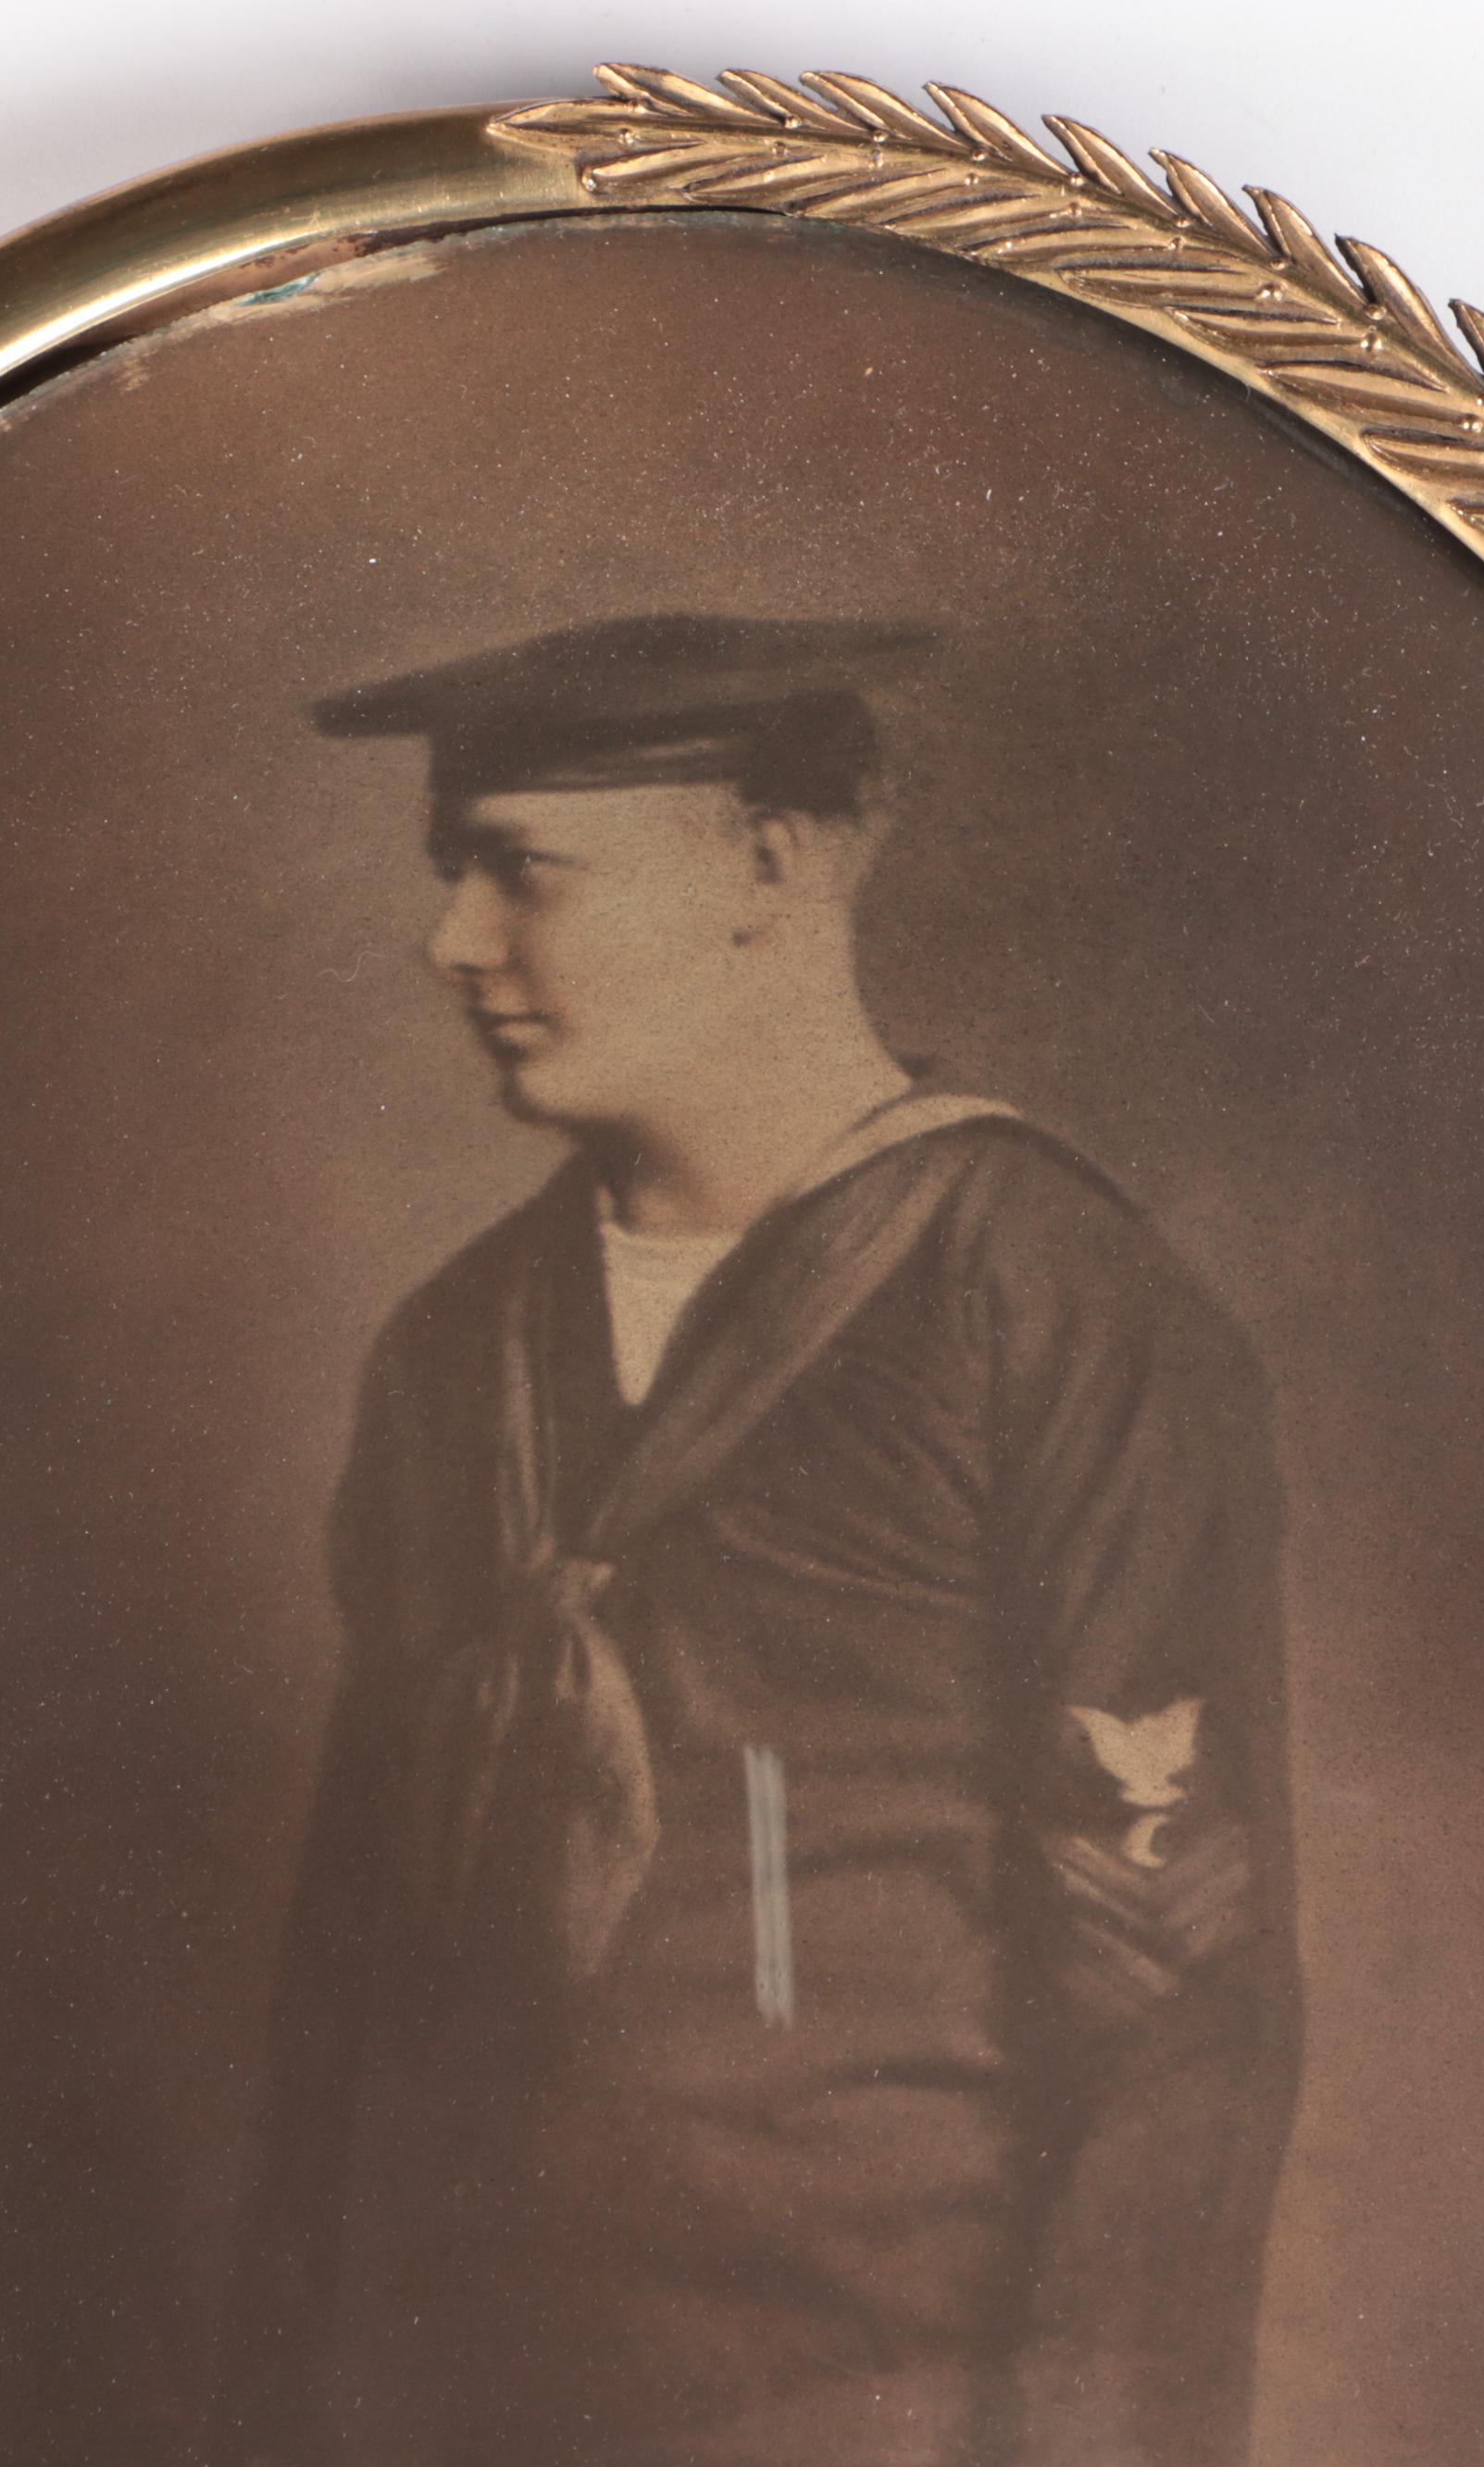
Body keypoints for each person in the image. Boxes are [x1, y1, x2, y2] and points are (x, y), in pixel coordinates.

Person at [215, 614, 1297, 2467]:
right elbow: (351, 1993)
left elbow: (1171, 2021)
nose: (452, 942)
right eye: (449, 871)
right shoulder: (453, 1353)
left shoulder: (1036, 1296)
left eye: (521, 870)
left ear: (769, 870)